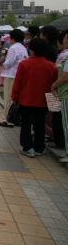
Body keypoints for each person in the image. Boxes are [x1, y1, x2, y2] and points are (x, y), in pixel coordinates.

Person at [12, 38, 58, 158]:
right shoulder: (51, 66)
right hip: (42, 100)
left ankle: (27, 147)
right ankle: (39, 146)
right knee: (40, 123)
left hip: (25, 99)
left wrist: (15, 98)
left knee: (26, 123)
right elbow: (54, 84)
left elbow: (18, 83)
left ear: (31, 50)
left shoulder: (24, 64)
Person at [0, 29, 28, 126]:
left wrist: (2, 64)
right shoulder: (23, 48)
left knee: (8, 98)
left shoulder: (13, 48)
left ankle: (8, 119)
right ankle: (16, 117)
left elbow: (9, 63)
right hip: (19, 75)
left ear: (13, 38)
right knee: (16, 98)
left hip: (11, 75)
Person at [51, 31, 68, 162]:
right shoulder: (62, 54)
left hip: (61, 93)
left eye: (64, 39)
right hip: (59, 92)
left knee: (63, 122)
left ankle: (61, 143)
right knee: (56, 115)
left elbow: (64, 77)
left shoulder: (65, 56)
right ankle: (57, 139)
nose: (61, 42)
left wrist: (54, 85)